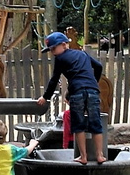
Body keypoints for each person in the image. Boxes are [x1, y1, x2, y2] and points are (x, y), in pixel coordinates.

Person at [36, 31, 106, 165]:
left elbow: (54, 80)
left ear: (64, 45)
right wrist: (94, 82)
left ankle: (83, 156)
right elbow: (98, 66)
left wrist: (45, 97)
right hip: (92, 91)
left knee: (78, 125)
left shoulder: (60, 59)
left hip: (77, 92)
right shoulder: (82, 53)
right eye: (50, 50)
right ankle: (100, 155)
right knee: (96, 123)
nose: (53, 53)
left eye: (53, 49)